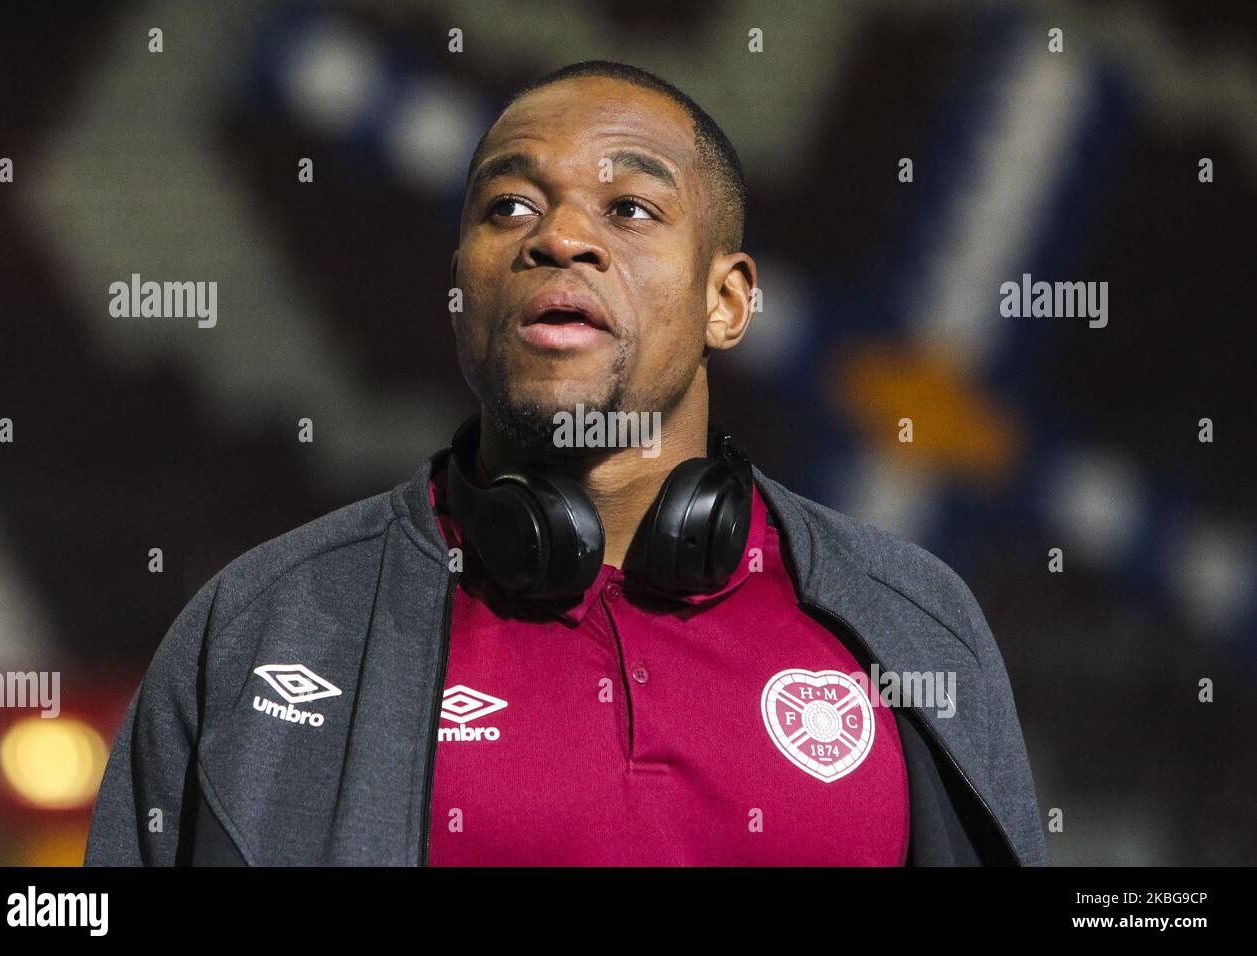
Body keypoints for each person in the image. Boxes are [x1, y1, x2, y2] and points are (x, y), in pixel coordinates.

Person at [84, 60, 1046, 866]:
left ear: (729, 300)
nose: (560, 237)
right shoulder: (263, 629)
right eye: (508, 206)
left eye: (630, 207)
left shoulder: (914, 624)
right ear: (460, 284)